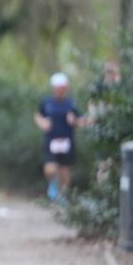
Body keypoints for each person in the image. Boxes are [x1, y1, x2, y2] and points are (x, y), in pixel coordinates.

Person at [34, 72, 89, 201]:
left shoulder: (71, 104)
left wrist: (74, 121)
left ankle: (64, 195)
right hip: (51, 140)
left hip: (66, 141)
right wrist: (42, 123)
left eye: (62, 88)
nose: (60, 91)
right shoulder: (46, 102)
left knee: (65, 169)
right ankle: (53, 185)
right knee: (50, 169)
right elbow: (37, 114)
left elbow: (82, 121)